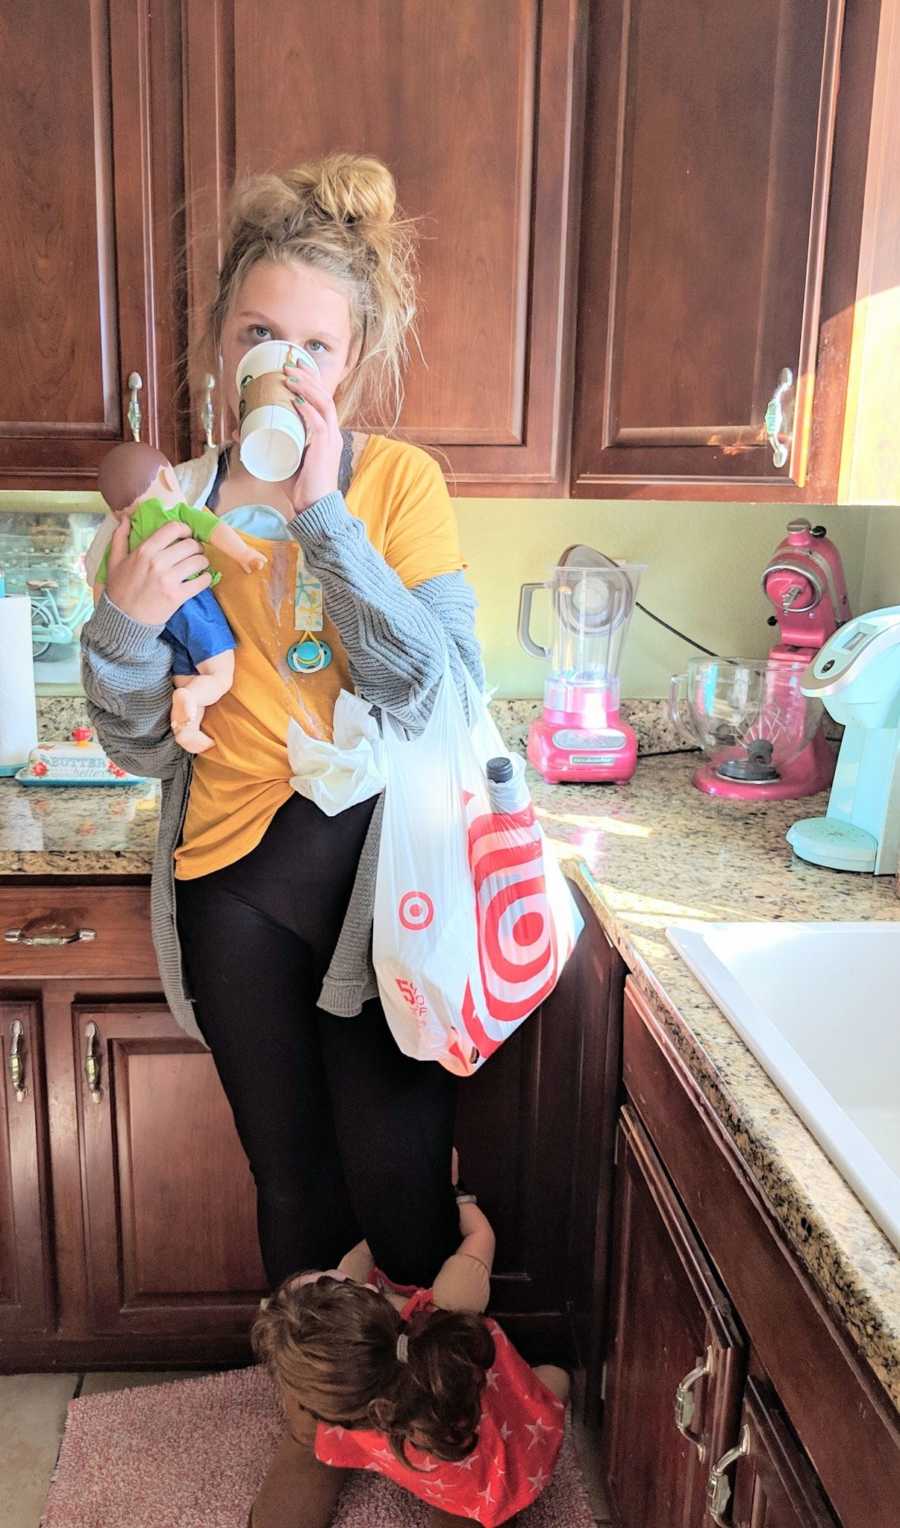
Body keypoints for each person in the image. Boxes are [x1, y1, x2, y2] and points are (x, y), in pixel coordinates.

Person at [80, 152, 484, 1296]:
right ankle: (318, 1423)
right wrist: (126, 619)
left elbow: (435, 692)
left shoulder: (397, 486)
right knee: (291, 1183)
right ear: (221, 344)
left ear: (349, 366)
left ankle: (424, 1420)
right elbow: (142, 745)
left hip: (380, 884)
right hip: (229, 883)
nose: (286, 366)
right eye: (262, 333)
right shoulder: (162, 513)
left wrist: (323, 517)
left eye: (315, 346)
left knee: (402, 1177)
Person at [250, 1189, 569, 1528]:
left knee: (308, 1414)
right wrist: (459, 1198)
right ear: (368, 1295)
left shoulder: (334, 1387)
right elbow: (480, 1237)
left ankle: (308, 1441)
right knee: (550, 1385)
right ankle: (468, 1505)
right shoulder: (451, 1310)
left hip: (370, 1425)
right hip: (461, 1461)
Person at [94, 440, 267, 753]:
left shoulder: (124, 539)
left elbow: (103, 586)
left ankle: (188, 728)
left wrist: (114, 617)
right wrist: (244, 555)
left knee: (185, 674)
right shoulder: (177, 513)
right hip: (192, 604)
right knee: (218, 672)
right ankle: (192, 700)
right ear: (167, 478)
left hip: (155, 623)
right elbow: (215, 531)